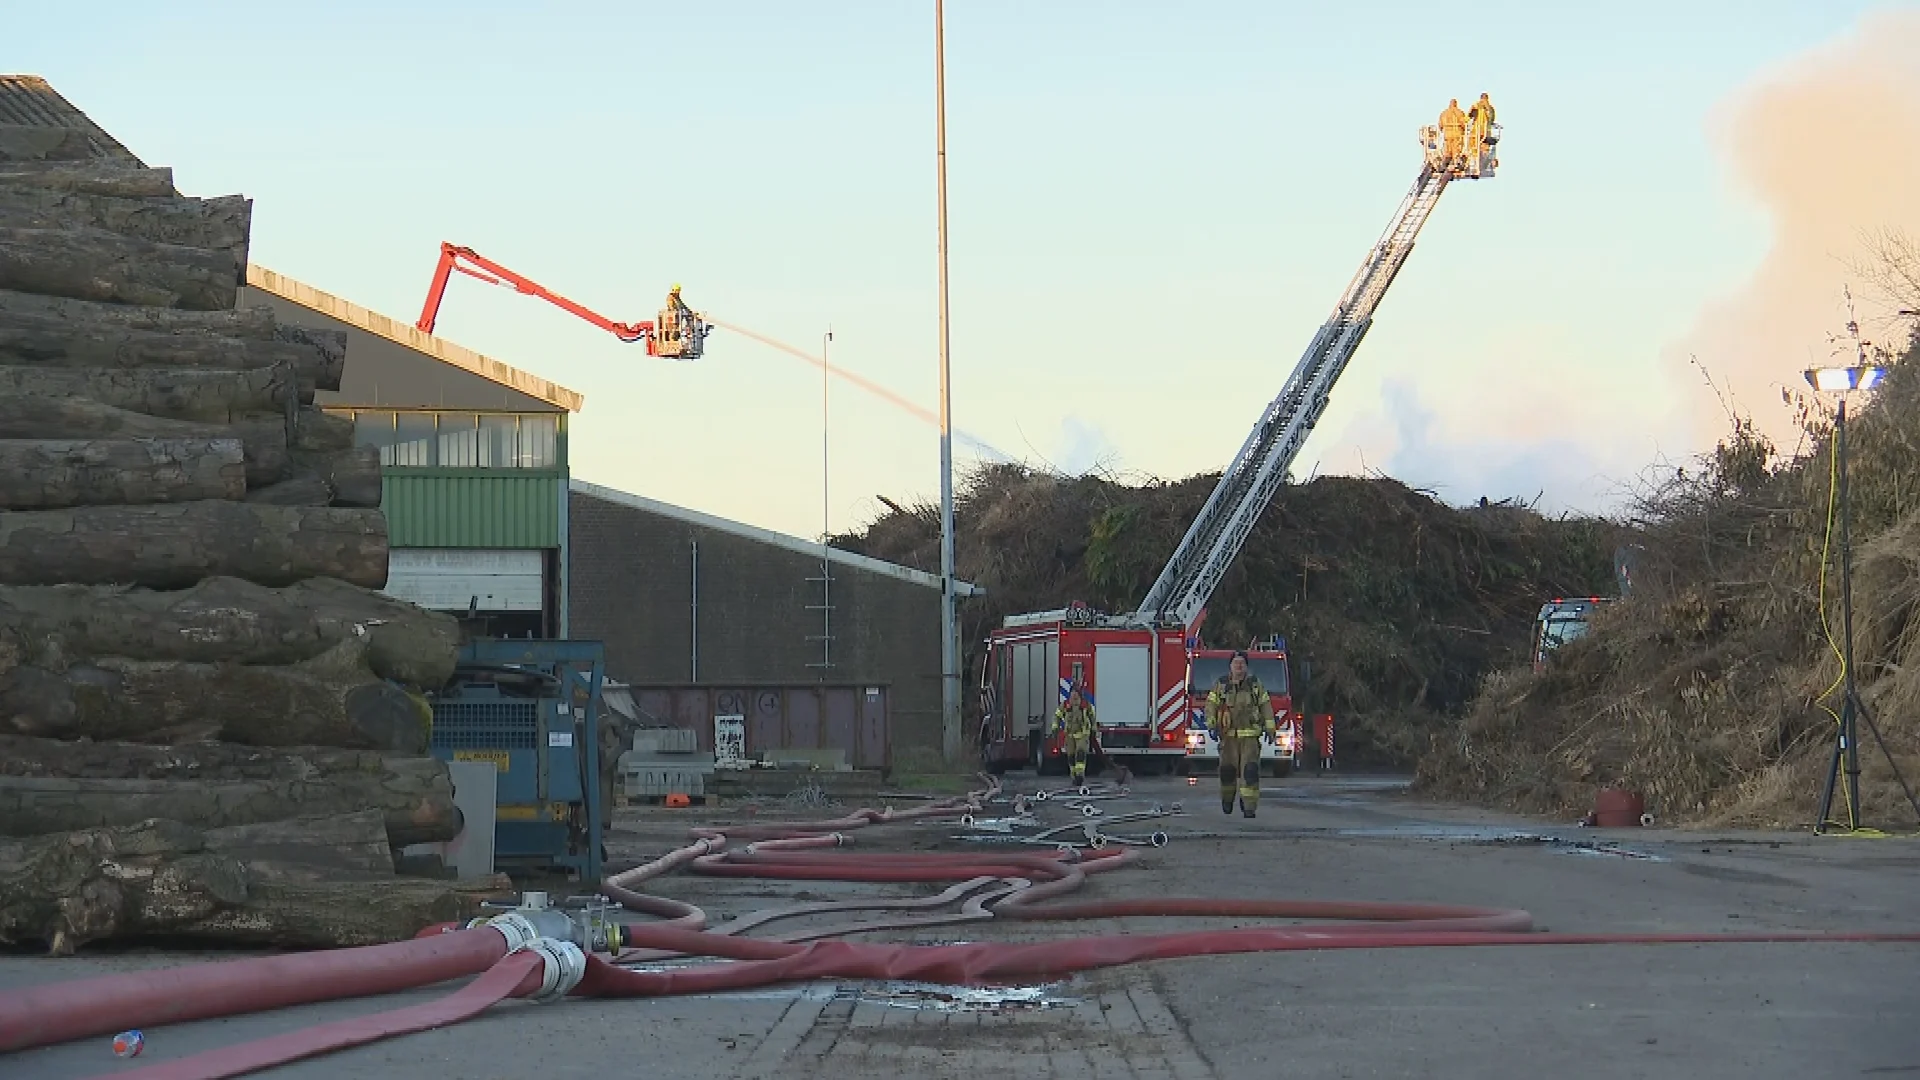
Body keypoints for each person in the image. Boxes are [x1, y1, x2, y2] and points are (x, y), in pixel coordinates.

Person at [1205, 651, 1275, 817]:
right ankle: (1227, 801)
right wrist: (1211, 723)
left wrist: (1271, 728)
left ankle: (1249, 807)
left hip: (1250, 739)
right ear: (1230, 666)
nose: (1239, 666)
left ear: (1247, 666)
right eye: (1236, 663)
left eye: (1242, 663)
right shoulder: (1221, 685)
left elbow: (1266, 706)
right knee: (1227, 772)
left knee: (1250, 772)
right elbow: (1211, 705)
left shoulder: (1255, 685)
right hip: (1228, 738)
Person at [1439, 98, 1468, 166]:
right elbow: (1463, 124)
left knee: (1448, 148)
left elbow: (1440, 125)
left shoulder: (1443, 113)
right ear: (1456, 104)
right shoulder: (1460, 112)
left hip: (1447, 134)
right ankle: (1455, 162)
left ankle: (1446, 161)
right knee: (1456, 149)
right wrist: (1464, 130)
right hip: (1457, 133)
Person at [1467, 93, 1495, 162]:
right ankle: (1482, 162)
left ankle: (1474, 161)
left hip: (1475, 130)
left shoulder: (1475, 106)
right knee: (1484, 149)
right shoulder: (1490, 108)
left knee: (1473, 148)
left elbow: (1469, 116)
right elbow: (1492, 118)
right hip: (1485, 131)